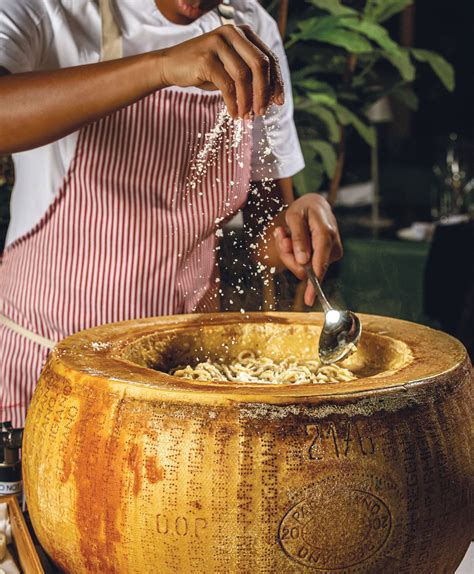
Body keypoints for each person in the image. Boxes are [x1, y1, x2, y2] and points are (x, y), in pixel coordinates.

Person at [0, 0, 343, 427]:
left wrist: (301, 219)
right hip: (49, 365)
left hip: (181, 376)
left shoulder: (250, 30)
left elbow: (267, 231)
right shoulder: (52, 10)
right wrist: (160, 67)